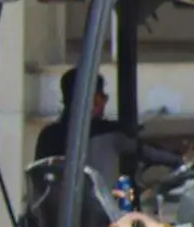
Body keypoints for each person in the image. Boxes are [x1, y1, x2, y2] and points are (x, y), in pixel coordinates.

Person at [34, 68, 180, 179]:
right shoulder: (108, 134)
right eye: (104, 97)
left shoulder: (47, 135)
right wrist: (179, 158)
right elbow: (148, 151)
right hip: (98, 217)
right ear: (96, 100)